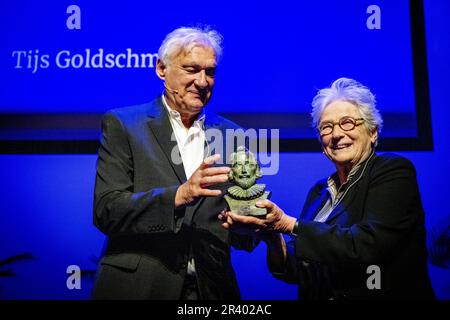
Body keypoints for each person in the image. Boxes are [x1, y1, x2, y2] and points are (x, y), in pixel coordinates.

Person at [221, 78, 436, 300]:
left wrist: (288, 224)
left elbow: (367, 246)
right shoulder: (319, 192)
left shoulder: (393, 171)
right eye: (327, 127)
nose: (336, 134)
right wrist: (273, 236)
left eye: (348, 123)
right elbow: (298, 270)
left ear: (373, 132)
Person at [91, 26, 256, 300]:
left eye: (210, 72)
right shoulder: (123, 124)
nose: (203, 82)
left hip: (211, 289)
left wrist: (249, 224)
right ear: (161, 69)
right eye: (191, 70)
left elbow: (243, 234)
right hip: (138, 288)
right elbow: (107, 210)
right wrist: (178, 196)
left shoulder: (234, 135)